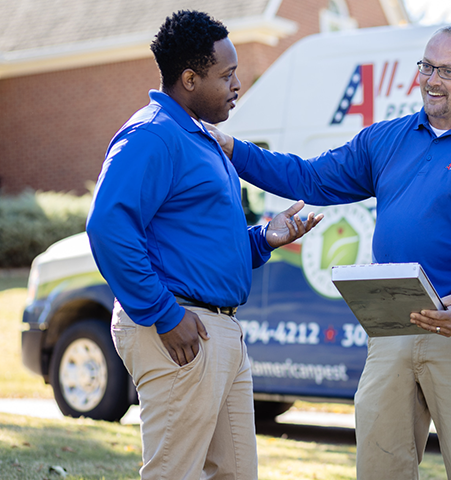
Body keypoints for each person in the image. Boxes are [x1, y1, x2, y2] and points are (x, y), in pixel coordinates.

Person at [208, 24, 451, 480]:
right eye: (426, 66)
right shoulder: (387, 139)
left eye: (447, 70)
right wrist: (235, 151)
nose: (432, 79)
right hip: (392, 327)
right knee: (381, 465)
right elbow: (310, 178)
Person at [86, 10, 322, 480]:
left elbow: (195, 240)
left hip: (221, 332)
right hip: (178, 330)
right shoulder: (154, 135)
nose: (237, 86)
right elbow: (108, 229)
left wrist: (261, 240)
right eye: (227, 75)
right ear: (189, 78)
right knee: (173, 473)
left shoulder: (202, 139)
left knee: (235, 473)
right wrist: (165, 315)